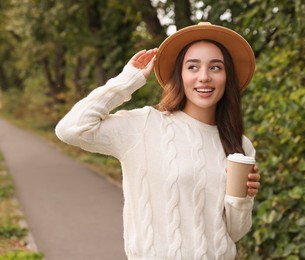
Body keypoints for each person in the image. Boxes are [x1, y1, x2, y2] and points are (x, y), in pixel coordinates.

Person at [55, 22, 260, 259]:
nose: (204, 77)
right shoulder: (145, 125)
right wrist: (127, 80)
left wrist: (242, 199)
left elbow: (235, 232)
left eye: (216, 67)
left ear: (227, 77)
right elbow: (71, 129)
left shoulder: (241, 145)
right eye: (192, 67)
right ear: (179, 75)